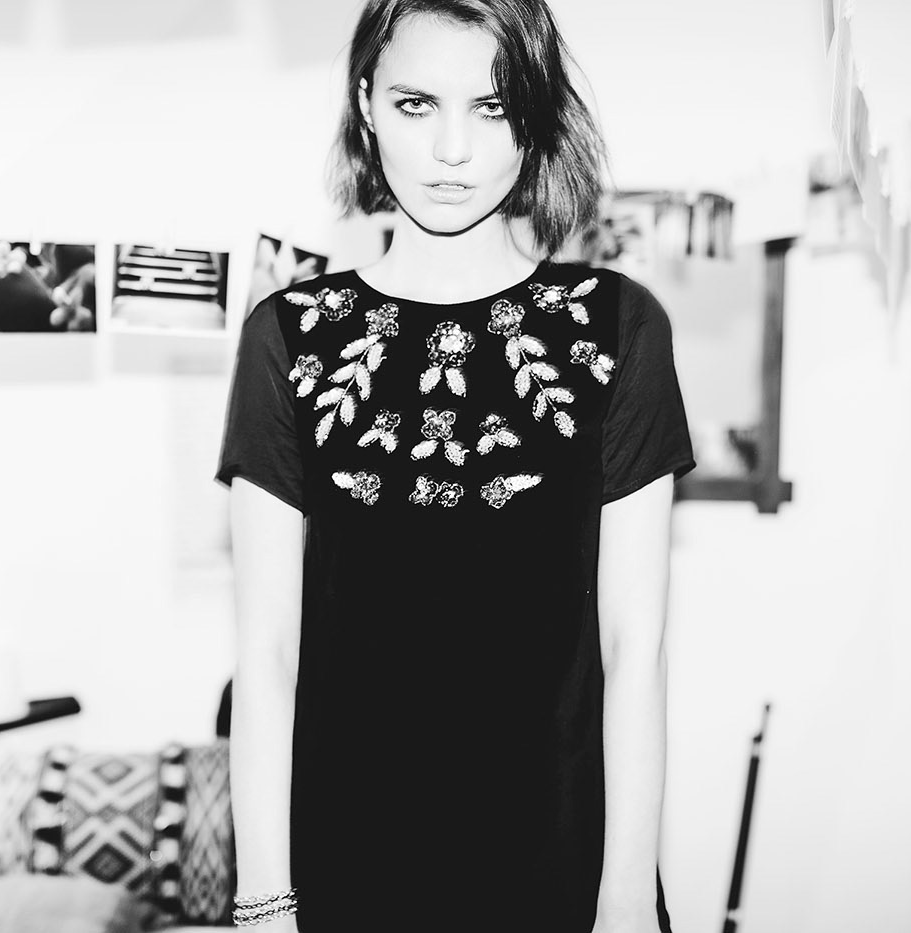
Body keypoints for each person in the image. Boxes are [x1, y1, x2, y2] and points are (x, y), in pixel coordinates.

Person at [214, 1, 695, 930]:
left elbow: (635, 646)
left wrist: (628, 894)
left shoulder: (618, 326)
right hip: (345, 869)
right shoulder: (289, 337)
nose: (450, 149)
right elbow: (266, 653)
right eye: (415, 103)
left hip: (562, 869)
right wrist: (264, 904)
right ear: (366, 103)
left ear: (537, 115)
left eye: (492, 106)